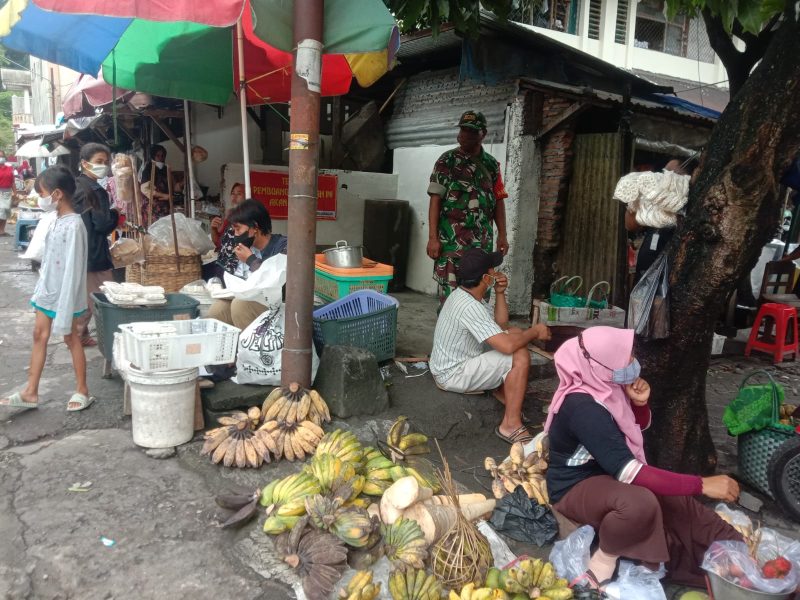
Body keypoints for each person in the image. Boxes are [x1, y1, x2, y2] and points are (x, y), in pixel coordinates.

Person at [544, 326, 741, 591]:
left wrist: (639, 404)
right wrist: (703, 484)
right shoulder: (583, 408)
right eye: (625, 357)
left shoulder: (606, 386)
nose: (633, 362)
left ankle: (734, 547)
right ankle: (602, 563)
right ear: (602, 363)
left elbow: (635, 427)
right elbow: (629, 471)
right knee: (640, 503)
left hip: (606, 473)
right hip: (574, 486)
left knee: (676, 499)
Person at [430, 248, 552, 444]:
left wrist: (500, 292)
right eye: (493, 271)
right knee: (519, 354)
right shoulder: (470, 306)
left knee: (513, 334)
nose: (497, 273)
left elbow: (501, 325)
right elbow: (506, 347)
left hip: (449, 365)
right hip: (453, 374)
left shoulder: (464, 295)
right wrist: (535, 332)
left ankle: (502, 391)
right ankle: (510, 425)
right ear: (486, 278)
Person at [0, 167, 94, 412]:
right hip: (48, 291)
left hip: (66, 294)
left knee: (70, 337)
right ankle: (31, 391)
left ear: (57, 194)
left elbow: (74, 268)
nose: (40, 198)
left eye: (41, 193)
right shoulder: (55, 220)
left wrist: (66, 303)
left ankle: (82, 389)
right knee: (38, 335)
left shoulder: (74, 225)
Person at [427, 110, 509, 305]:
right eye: (463, 130)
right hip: (452, 244)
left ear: (483, 134)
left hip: (481, 246)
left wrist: (503, 235)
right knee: (449, 301)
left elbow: (498, 200)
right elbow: (435, 200)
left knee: (478, 301)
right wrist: (433, 238)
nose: (465, 135)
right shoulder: (446, 161)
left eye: (472, 131)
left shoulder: (491, 165)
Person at [207, 199, 287, 330]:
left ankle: (253, 349)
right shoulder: (245, 247)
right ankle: (229, 348)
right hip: (252, 300)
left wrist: (251, 260)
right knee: (218, 309)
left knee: (240, 305)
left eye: (238, 229)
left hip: (279, 307)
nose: (235, 235)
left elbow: (278, 283)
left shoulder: (283, 246)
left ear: (255, 227)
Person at [73, 143, 121, 347]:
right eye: (99, 162)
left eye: (106, 162)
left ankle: (80, 335)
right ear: (85, 163)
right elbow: (102, 224)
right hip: (93, 251)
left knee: (85, 295)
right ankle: (76, 336)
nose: (104, 166)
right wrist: (116, 216)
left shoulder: (76, 185)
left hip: (80, 249)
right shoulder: (95, 190)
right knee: (99, 297)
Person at [625, 158, 690, 284]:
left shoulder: (687, 208)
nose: (666, 179)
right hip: (644, 276)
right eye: (665, 173)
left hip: (665, 281)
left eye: (673, 175)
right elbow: (630, 225)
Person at [138, 144, 171, 224]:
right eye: (158, 155)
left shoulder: (166, 169)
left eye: (162, 156)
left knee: (164, 229)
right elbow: (144, 189)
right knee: (153, 230)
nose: (160, 158)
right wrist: (163, 195)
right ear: (153, 156)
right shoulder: (148, 169)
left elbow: (171, 186)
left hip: (164, 206)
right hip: (152, 206)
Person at [0, 150, 16, 236]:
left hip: (7, 192)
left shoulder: (9, 168)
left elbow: (12, 181)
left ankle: (2, 231)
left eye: (2, 156)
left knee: (6, 211)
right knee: (1, 211)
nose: (0, 158)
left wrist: (15, 193)